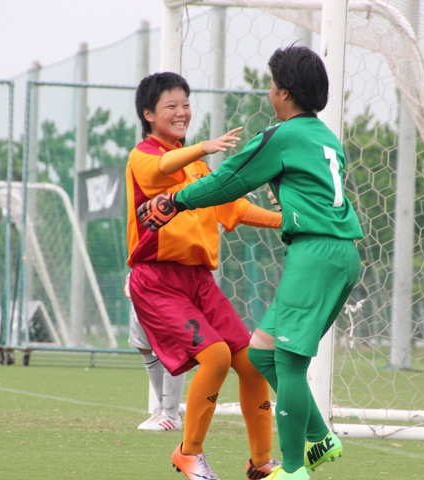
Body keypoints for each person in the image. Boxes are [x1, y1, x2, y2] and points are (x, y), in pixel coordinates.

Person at [137, 45, 364, 480]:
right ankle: (319, 435)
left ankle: (294, 471)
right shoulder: (326, 137)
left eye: (272, 84)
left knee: (289, 363)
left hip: (315, 253)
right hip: (341, 253)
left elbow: (229, 181)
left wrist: (176, 201)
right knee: (260, 355)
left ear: (283, 92)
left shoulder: (283, 135)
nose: (270, 91)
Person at [126, 71, 282, 480]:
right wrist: (202, 148)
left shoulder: (197, 166)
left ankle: (262, 463)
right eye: (171, 106)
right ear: (148, 114)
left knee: (252, 363)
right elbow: (162, 165)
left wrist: (286, 220)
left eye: (185, 104)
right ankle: (189, 453)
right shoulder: (143, 156)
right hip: (157, 281)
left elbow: (235, 209)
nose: (181, 112)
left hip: (198, 282)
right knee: (213, 357)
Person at [124, 272, 186, 432]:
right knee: (143, 346)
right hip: (140, 275)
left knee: (171, 350)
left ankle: (171, 415)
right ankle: (163, 407)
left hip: (165, 280)